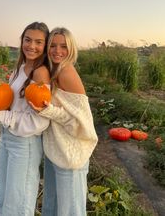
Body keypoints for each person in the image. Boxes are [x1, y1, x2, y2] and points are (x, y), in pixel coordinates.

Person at [30, 27, 98, 216]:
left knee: (71, 211)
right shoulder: (53, 71)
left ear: (71, 48)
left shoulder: (66, 73)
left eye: (63, 46)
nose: (57, 51)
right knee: (52, 206)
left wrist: (49, 110)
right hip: (55, 152)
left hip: (71, 156)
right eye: (53, 45)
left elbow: (82, 124)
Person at [0, 21, 50, 216]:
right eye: (27, 40)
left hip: (25, 143)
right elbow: (12, 103)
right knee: (5, 198)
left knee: (17, 205)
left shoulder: (40, 72)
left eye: (39, 42)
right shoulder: (20, 67)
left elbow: (39, 120)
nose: (32, 46)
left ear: (45, 46)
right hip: (7, 138)